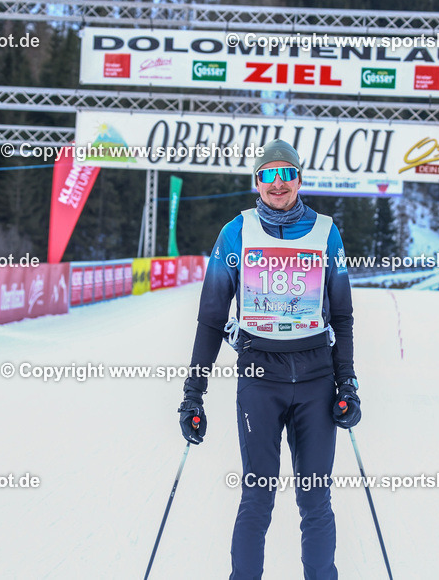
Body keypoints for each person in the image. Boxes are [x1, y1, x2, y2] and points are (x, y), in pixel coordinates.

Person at [177, 140, 360, 579]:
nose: (278, 184)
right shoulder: (235, 233)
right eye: (268, 175)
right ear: (256, 181)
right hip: (260, 377)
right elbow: (210, 318)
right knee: (258, 494)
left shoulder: (325, 232)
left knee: (316, 497)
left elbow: (342, 315)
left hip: (316, 378)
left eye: (287, 174)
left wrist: (347, 384)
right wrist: (192, 395)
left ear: (299, 178)